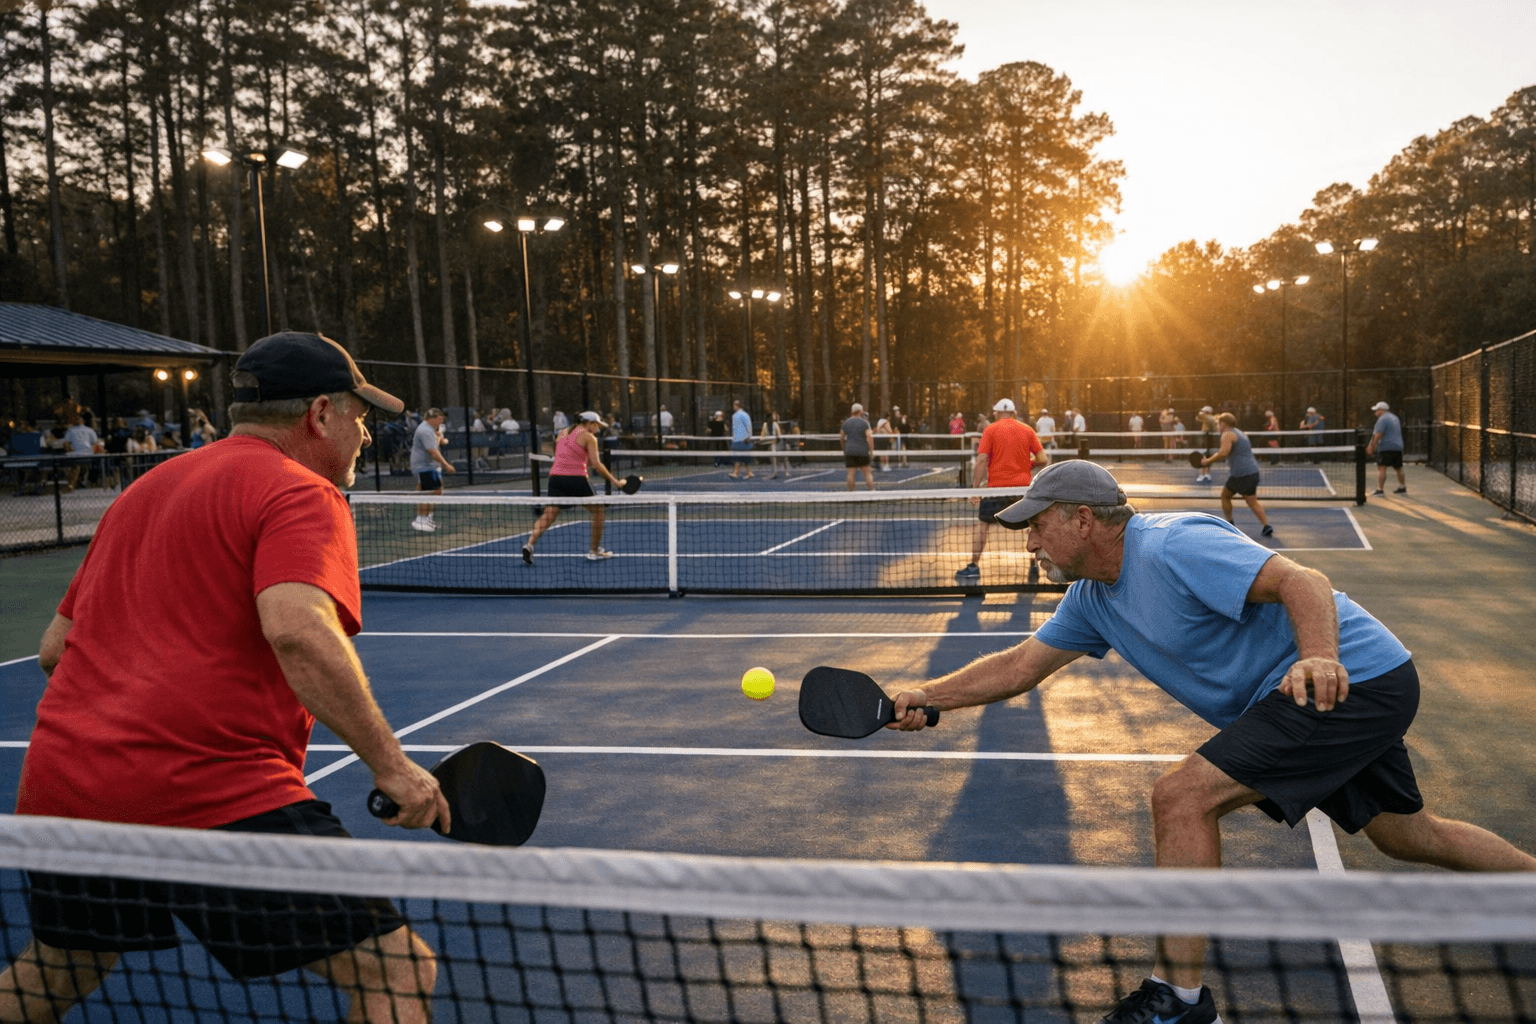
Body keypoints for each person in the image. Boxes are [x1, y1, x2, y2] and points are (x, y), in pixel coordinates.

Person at [886, 458, 1536, 1024]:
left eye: (1037, 526)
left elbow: (1301, 581)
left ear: (1082, 520)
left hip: (1351, 680)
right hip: (1339, 689)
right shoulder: (1090, 599)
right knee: (1408, 835)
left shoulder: (1172, 545)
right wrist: (925, 697)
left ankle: (1178, 1001)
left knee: (1182, 797)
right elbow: (1018, 666)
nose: (1030, 544)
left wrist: (1317, 658)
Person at [1, 331, 448, 1024]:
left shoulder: (145, 489)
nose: (363, 435)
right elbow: (298, 630)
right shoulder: (302, 492)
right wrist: (392, 767)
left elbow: (57, 650)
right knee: (395, 971)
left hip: (67, 788)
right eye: (359, 418)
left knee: (56, 975)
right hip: (213, 792)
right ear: (319, 414)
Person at [955, 398, 1048, 579]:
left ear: (997, 413)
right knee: (1030, 526)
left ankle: (974, 566)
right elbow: (1043, 459)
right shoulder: (1027, 430)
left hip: (995, 491)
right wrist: (1027, 465)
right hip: (1022, 491)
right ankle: (1034, 566)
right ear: (1013, 413)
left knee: (982, 525)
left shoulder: (990, 430)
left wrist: (975, 491)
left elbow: (981, 460)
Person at [521, 411, 626, 564]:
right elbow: (597, 465)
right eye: (597, 425)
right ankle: (594, 551)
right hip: (576, 478)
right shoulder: (590, 437)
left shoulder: (562, 433)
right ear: (590, 424)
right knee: (598, 510)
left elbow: (570, 457)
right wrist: (616, 482)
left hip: (555, 479)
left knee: (549, 515)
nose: (598, 429)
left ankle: (529, 544)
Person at [1200, 411, 1273, 537]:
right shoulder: (1239, 432)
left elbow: (1223, 453)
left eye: (1219, 423)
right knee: (1250, 501)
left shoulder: (1227, 434)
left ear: (1223, 423)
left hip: (1242, 474)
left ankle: (1230, 525)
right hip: (1252, 472)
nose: (1218, 426)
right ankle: (1266, 526)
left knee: (1226, 496)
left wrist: (1207, 461)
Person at [409, 407, 455, 533]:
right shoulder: (425, 431)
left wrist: (441, 440)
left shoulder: (431, 430)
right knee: (428, 493)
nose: (441, 422)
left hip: (430, 466)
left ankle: (427, 518)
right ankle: (421, 521)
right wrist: (446, 465)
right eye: (439, 419)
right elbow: (433, 452)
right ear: (431, 419)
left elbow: (437, 444)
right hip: (425, 466)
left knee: (435, 492)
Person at [1367, 401, 1407, 496]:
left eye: (1376, 410)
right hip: (1397, 447)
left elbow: (1378, 434)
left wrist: (1371, 446)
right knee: (1398, 468)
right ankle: (1403, 487)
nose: (1375, 412)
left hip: (1386, 448)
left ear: (1381, 410)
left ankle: (1380, 490)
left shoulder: (1382, 419)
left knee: (1381, 468)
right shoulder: (1395, 418)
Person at [840, 402, 875, 491]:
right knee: (867, 473)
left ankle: (851, 493)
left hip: (850, 451)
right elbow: (870, 437)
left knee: (851, 473)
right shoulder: (865, 423)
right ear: (860, 411)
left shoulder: (846, 423)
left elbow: (841, 437)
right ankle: (871, 491)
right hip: (862, 451)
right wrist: (871, 451)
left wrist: (844, 448)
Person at [729, 400, 755, 480]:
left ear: (737, 406)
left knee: (738, 457)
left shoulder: (738, 415)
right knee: (743, 457)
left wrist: (749, 437)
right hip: (742, 439)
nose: (733, 406)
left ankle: (737, 473)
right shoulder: (743, 415)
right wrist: (749, 437)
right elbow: (749, 426)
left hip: (740, 440)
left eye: (734, 405)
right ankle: (748, 472)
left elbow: (748, 426)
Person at [762, 410, 790, 479]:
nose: (774, 416)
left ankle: (786, 471)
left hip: (781, 442)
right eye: (773, 415)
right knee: (773, 457)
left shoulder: (779, 424)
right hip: (773, 443)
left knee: (784, 457)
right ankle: (774, 472)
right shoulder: (767, 425)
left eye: (775, 415)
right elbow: (764, 435)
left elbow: (781, 434)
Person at [1194, 405, 1219, 482]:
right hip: (1204, 437)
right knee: (1203, 456)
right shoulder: (1204, 417)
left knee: (1208, 457)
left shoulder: (1211, 418)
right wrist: (1203, 412)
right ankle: (1201, 474)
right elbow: (1197, 417)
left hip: (1210, 437)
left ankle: (1206, 473)